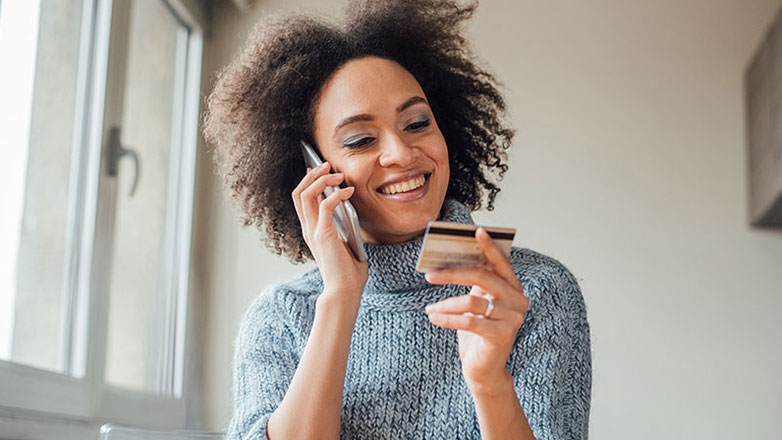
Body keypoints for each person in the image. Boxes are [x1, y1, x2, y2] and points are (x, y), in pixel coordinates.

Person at [203, 1, 592, 439]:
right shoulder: (282, 317)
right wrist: (342, 297)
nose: (403, 154)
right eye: (362, 139)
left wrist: (489, 384)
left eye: (417, 123)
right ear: (315, 173)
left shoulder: (535, 289)